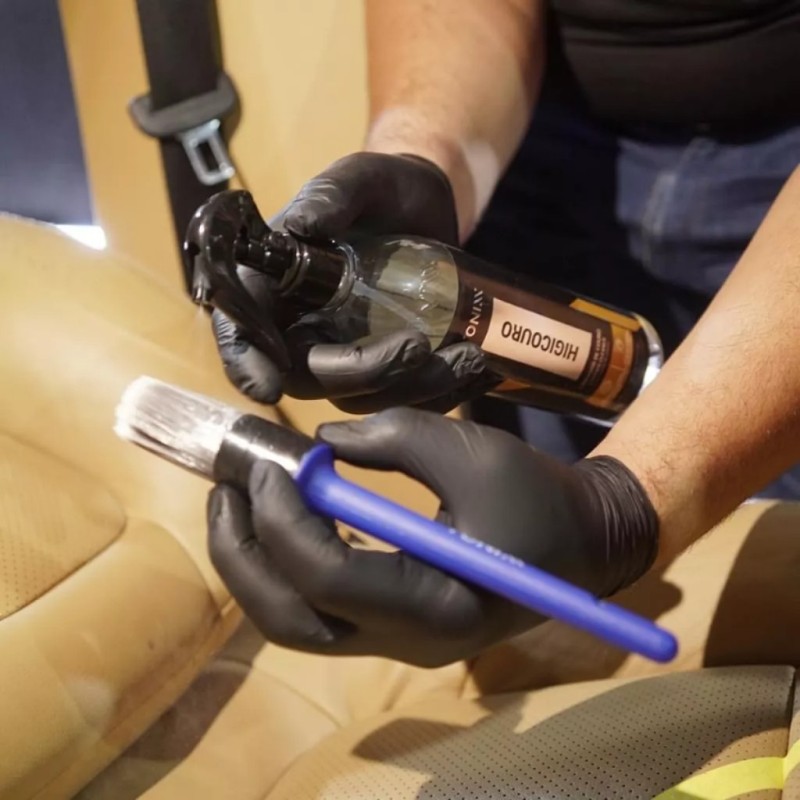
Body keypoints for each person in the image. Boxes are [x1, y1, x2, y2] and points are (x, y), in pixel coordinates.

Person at [205, 0, 800, 665]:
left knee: (765, 603)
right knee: (554, 620)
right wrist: (425, 153)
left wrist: (629, 503)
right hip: (536, 140)